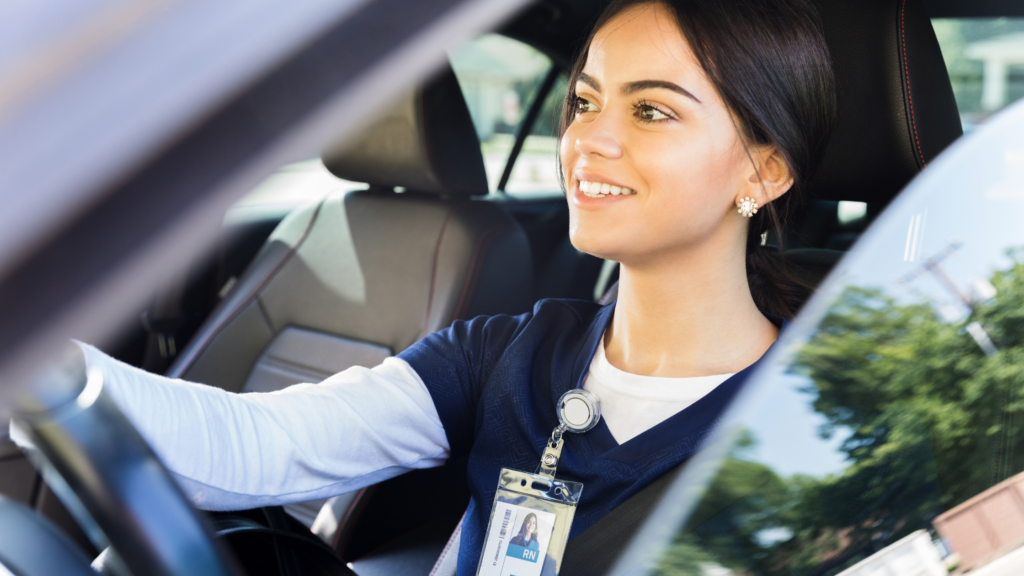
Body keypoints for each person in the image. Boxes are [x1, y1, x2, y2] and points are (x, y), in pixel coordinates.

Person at [50, 0, 836, 573]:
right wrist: (44, 373)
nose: (587, 139)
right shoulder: (509, 351)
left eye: (653, 111)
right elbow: (257, 447)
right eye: (587, 100)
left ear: (763, 170)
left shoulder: (813, 429)